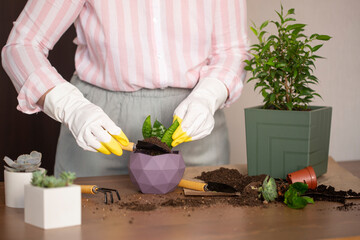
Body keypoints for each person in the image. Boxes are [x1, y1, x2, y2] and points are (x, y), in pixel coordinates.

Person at [2, 0, 249, 177]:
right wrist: (71, 108)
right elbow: (21, 46)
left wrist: (208, 96)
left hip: (195, 125)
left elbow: (232, 51)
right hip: (100, 125)